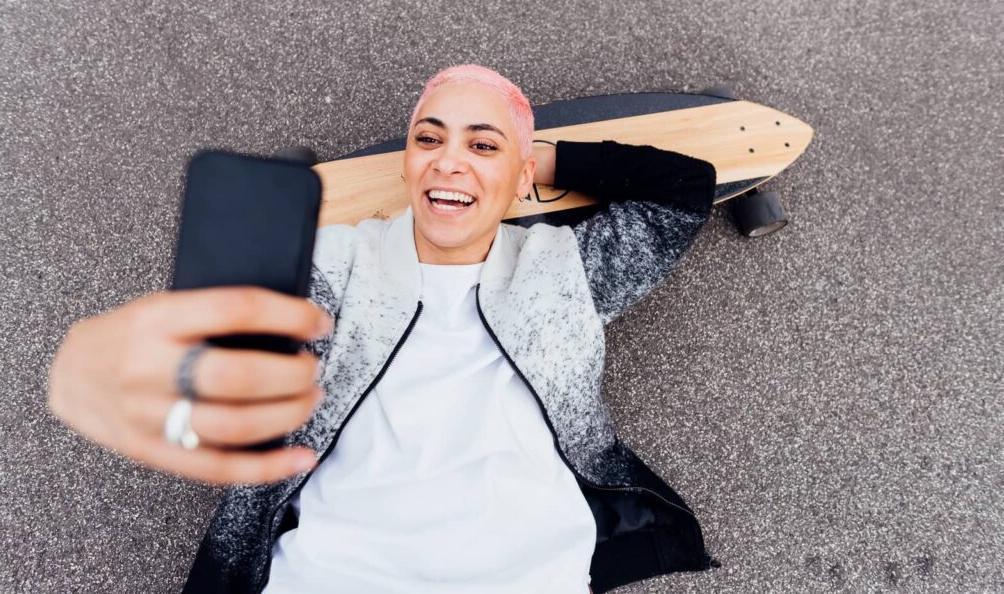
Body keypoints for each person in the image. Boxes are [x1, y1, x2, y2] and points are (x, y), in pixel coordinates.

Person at [48, 64, 721, 593]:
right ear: (407, 163)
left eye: (480, 144)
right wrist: (159, 377)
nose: (447, 160)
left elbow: (684, 191)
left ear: (520, 179)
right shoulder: (335, 263)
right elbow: (236, 350)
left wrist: (544, 162)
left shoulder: (568, 270)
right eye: (428, 138)